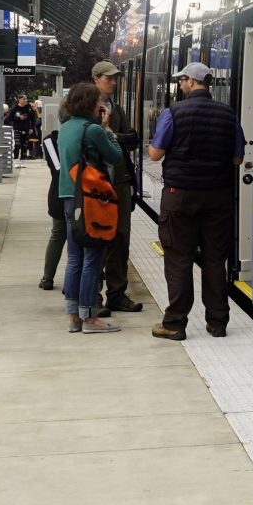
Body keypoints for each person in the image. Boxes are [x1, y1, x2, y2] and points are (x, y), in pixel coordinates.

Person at [147, 61, 244, 341]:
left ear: (190, 81)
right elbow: (237, 158)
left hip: (180, 196)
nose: (180, 85)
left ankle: (175, 324)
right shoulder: (228, 115)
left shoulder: (173, 112)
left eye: (182, 81)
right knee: (215, 259)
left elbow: (154, 155)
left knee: (179, 259)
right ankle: (217, 323)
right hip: (218, 196)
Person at [57, 81, 124, 334]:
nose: (100, 105)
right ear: (89, 104)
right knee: (93, 258)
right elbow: (115, 157)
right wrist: (107, 130)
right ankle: (90, 316)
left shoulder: (65, 128)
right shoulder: (92, 130)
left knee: (74, 258)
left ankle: (73, 315)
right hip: (90, 198)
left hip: (67, 197)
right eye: (97, 101)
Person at [91, 60, 143, 315]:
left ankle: (116, 293)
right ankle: (93, 297)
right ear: (96, 78)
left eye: (115, 79)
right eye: (108, 78)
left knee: (121, 238)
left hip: (120, 184)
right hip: (95, 185)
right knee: (97, 238)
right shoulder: (82, 109)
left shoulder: (118, 110)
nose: (113, 82)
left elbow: (133, 139)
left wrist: (112, 134)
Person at [38, 126, 65, 291]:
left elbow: (57, 168)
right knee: (66, 236)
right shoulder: (51, 140)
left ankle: (48, 277)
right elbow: (59, 169)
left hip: (59, 195)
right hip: (65, 195)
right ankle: (50, 277)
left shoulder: (49, 141)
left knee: (57, 236)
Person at [4, 94, 39, 162]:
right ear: (19, 99)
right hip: (17, 130)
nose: (25, 100)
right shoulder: (14, 109)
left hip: (26, 131)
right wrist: (19, 118)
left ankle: (23, 161)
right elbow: (9, 119)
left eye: (26, 99)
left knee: (25, 146)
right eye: (23, 99)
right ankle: (16, 161)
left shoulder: (29, 108)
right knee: (17, 146)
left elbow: (33, 119)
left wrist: (32, 128)